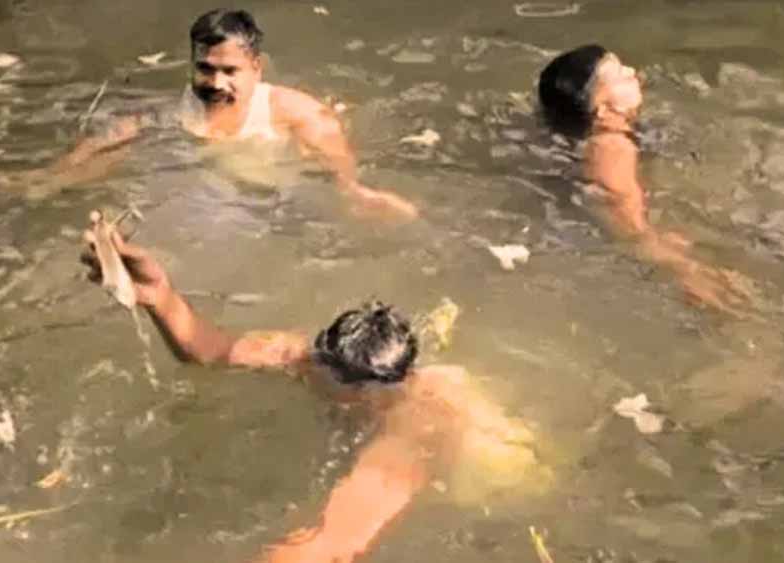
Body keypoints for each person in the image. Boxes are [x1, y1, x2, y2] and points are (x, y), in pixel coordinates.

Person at [80, 230, 553, 563]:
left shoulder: (417, 426)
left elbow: (332, 543)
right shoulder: (309, 357)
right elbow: (213, 351)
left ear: (383, 390)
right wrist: (160, 297)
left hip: (501, 474)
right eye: (324, 374)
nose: (327, 388)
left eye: (346, 391)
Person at [49, 9, 417, 221]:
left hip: (271, 205)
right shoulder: (175, 112)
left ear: (256, 68)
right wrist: (57, 175)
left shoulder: (290, 111)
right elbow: (115, 137)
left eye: (230, 71)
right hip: (200, 199)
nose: (215, 82)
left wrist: (352, 191)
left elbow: (331, 146)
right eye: (205, 69)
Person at [538, 45, 751, 314]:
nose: (632, 72)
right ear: (602, 110)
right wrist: (687, 269)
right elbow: (632, 230)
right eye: (619, 75)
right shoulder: (612, 147)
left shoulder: (607, 139)